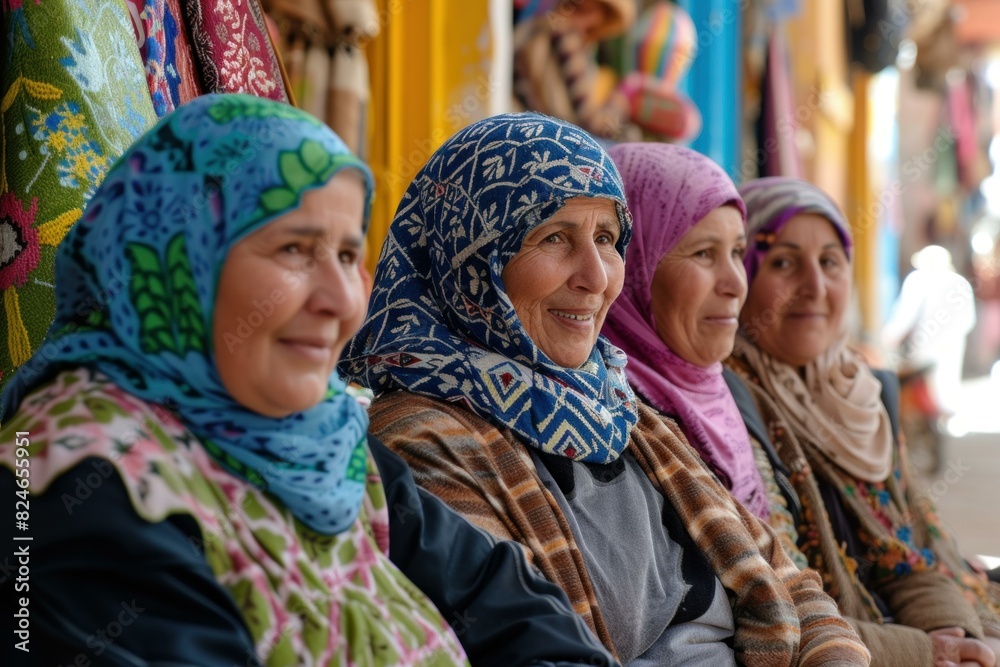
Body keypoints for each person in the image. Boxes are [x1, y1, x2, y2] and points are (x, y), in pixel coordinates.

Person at [0, 94, 622, 667]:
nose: (340, 299)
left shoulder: (323, 441)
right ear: (181, 258)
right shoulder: (79, 483)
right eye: (295, 249)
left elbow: (511, 607)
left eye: (349, 256)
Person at [341, 112, 870, 666]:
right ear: (473, 257)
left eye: (606, 239)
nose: (595, 277)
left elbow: (785, 574)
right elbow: (525, 644)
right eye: (554, 238)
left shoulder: (617, 407)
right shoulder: (423, 441)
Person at [728, 176, 1000, 666]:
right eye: (784, 263)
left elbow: (909, 542)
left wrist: (950, 630)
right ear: (740, 274)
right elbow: (773, 610)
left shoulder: (864, 390)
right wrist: (925, 651)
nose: (814, 287)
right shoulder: (726, 403)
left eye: (830, 262)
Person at [882, 244, 976, 418]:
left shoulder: (918, 281)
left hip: (924, 349)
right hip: (952, 347)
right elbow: (969, 320)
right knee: (945, 390)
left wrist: (887, 339)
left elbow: (904, 317)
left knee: (928, 396)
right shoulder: (960, 283)